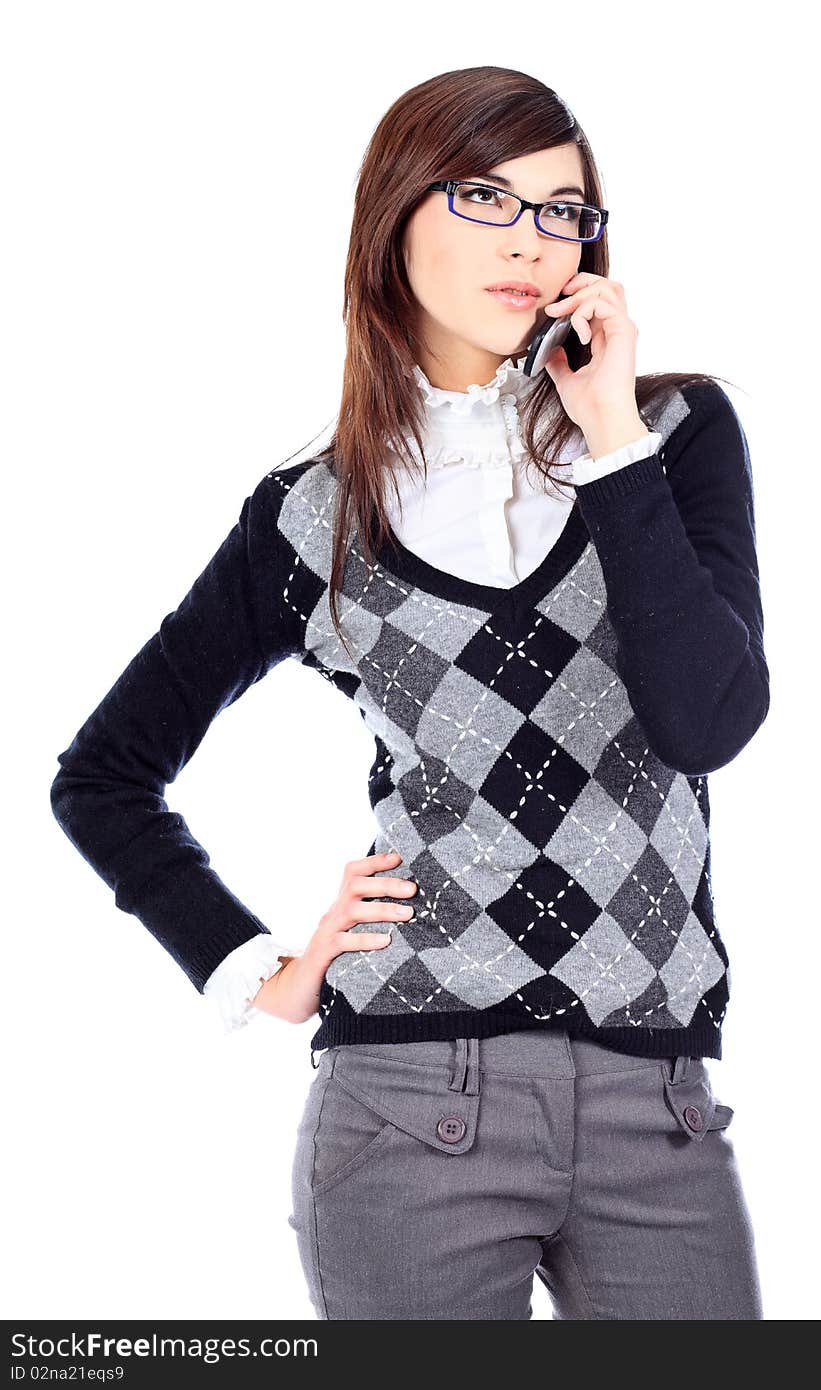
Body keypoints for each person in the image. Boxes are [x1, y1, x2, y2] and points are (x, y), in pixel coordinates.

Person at [50, 65, 770, 1320]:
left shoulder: (667, 434)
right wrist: (255, 964)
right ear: (394, 215)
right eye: (486, 197)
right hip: (410, 1103)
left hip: (657, 1109)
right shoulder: (313, 514)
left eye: (562, 211)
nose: (530, 243)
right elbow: (103, 774)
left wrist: (606, 436)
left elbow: (704, 719)